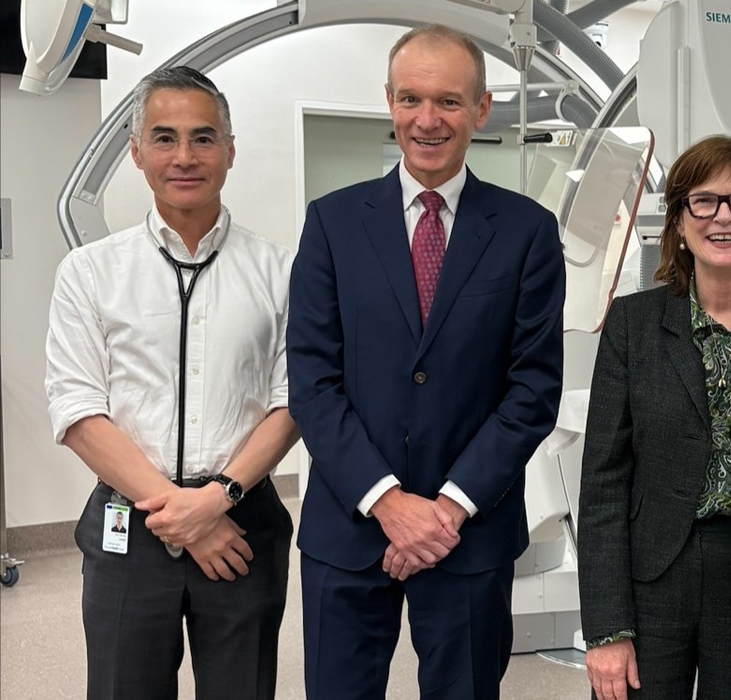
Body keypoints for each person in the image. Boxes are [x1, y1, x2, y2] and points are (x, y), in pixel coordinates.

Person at [287, 24, 565, 700]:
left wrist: (446, 508)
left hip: (467, 531)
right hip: (349, 527)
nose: (427, 119)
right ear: (389, 101)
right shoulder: (332, 223)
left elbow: (532, 389)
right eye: (411, 99)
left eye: (447, 101)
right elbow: (313, 383)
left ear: (481, 108)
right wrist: (388, 502)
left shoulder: (527, 232)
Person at [45, 65, 298, 700]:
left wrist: (216, 502)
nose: (184, 156)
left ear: (230, 151)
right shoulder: (90, 272)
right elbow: (77, 409)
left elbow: (293, 400)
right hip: (130, 525)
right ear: (135, 151)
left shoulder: (279, 270)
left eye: (203, 138)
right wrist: (181, 513)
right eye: (164, 138)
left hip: (241, 526)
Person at [577, 135, 731, 700]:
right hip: (654, 574)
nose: (724, 217)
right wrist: (607, 629)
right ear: (679, 221)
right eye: (704, 201)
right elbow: (603, 483)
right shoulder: (633, 323)